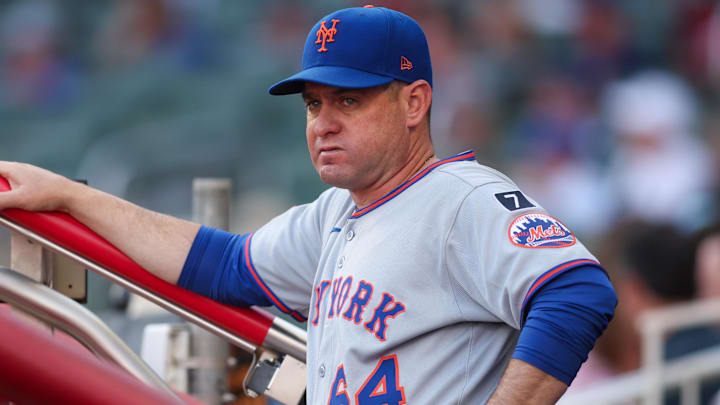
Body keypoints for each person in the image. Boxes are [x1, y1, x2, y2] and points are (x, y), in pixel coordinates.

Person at [0, 6, 616, 404]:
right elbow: (219, 266)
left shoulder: (462, 199)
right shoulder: (334, 213)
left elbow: (577, 291)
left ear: (415, 103)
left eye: (348, 101)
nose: (323, 123)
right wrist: (69, 195)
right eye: (313, 104)